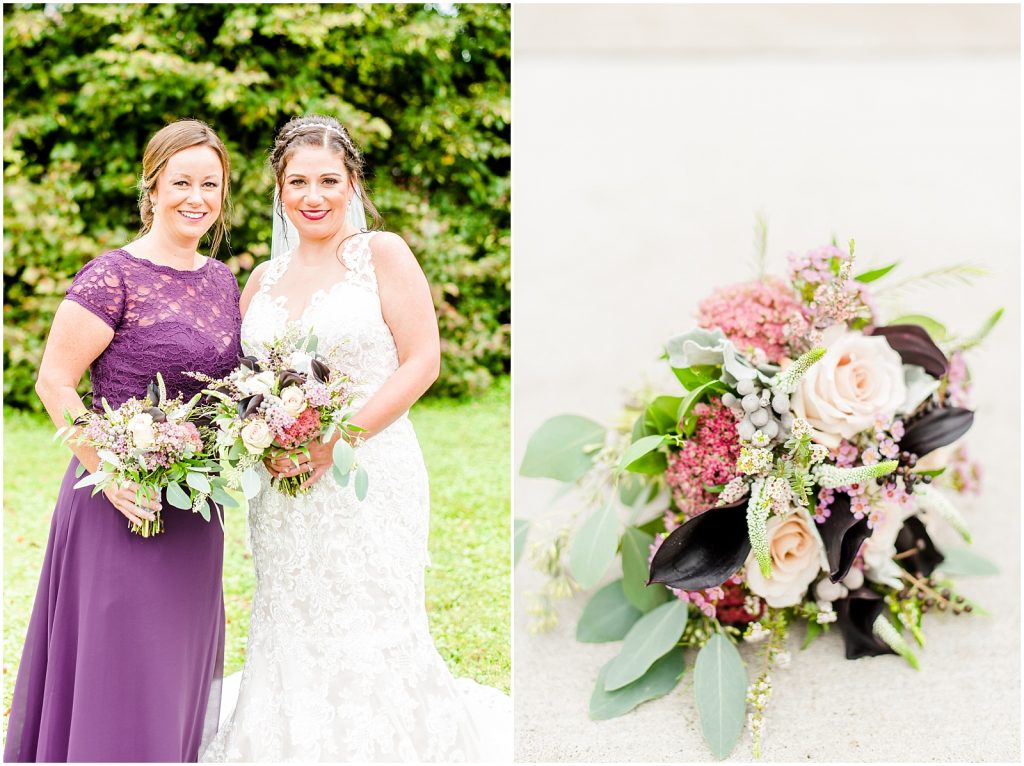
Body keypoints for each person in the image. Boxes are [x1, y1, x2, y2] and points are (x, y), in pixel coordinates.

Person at [202, 114, 509, 762]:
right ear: (279, 189)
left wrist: (335, 441)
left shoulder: (383, 256)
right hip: (282, 489)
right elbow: (242, 381)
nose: (313, 196)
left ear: (352, 184)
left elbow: (422, 361)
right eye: (298, 181)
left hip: (369, 474)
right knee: (290, 611)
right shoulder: (262, 278)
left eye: (328, 180)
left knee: (370, 615)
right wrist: (260, 435)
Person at [4, 119, 242, 762]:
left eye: (210, 184)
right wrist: (108, 469)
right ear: (153, 189)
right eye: (181, 182)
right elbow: (54, 381)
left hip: (197, 507)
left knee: (174, 669)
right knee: (117, 668)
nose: (196, 197)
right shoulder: (113, 277)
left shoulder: (225, 283)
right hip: (114, 501)